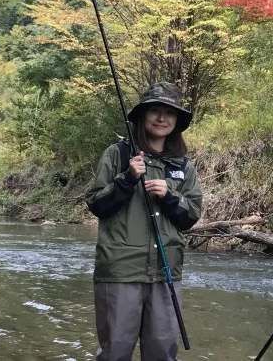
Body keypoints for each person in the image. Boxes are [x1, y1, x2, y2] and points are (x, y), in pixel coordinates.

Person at [86, 82, 202, 361]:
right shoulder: (118, 154)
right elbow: (96, 204)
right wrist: (126, 179)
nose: (162, 118)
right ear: (142, 115)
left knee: (162, 353)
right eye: (155, 111)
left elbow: (191, 216)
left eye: (170, 113)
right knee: (115, 352)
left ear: (177, 121)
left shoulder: (183, 166)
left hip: (166, 273)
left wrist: (170, 196)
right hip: (120, 271)